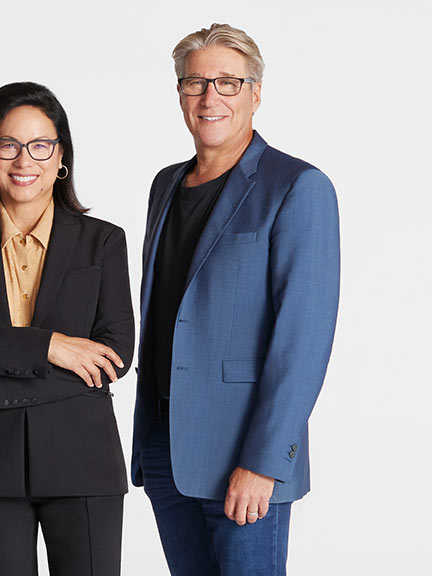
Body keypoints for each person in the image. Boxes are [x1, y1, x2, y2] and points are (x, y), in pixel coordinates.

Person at [131, 23, 340, 576]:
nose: (210, 98)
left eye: (228, 82)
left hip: (243, 461)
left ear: (256, 91)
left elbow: (304, 340)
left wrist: (264, 463)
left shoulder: (297, 187)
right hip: (165, 450)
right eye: (195, 82)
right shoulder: (165, 185)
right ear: (179, 93)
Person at [0, 82, 135, 576]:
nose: (23, 161)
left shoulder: (103, 242)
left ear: (61, 158)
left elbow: (115, 354)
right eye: (8, 145)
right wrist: (52, 347)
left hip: (83, 463)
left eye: (40, 146)